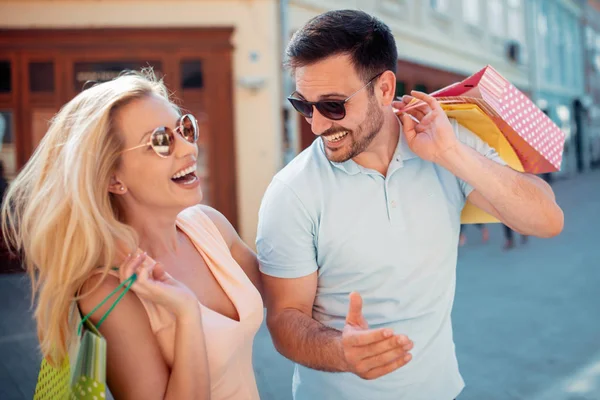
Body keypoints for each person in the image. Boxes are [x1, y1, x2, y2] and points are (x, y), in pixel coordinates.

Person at [256, 9, 564, 400]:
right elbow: (285, 318)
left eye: (333, 105)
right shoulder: (292, 191)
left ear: (384, 89)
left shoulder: (445, 142)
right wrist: (341, 352)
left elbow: (547, 220)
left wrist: (452, 154)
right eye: (304, 105)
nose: (316, 125)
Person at [1, 71, 264, 399]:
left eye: (184, 128)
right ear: (114, 179)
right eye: (161, 140)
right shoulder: (107, 290)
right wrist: (185, 312)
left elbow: (285, 290)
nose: (188, 148)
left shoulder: (209, 226)